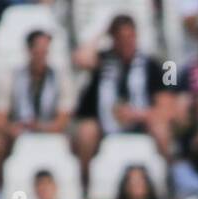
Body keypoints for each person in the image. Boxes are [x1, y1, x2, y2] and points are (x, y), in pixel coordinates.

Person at [73, 13, 176, 175]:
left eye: (130, 37)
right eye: (120, 38)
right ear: (113, 39)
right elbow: (80, 59)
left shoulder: (153, 65)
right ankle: (85, 181)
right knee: (86, 131)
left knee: (161, 128)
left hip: (141, 125)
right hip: (105, 128)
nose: (126, 42)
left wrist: (137, 115)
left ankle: (169, 174)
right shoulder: (102, 60)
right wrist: (102, 33)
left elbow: (167, 109)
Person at [0, 30, 72, 174]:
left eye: (45, 51)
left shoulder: (61, 78)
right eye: (38, 50)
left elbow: (63, 120)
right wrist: (12, 129)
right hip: (18, 131)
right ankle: (0, 185)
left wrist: (41, 127)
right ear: (29, 50)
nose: (41, 55)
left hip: (49, 129)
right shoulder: (11, 77)